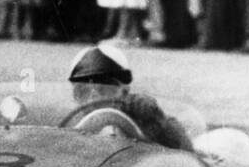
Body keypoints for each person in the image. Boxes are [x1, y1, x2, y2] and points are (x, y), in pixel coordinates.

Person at [66, 43, 194, 151]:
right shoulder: (67, 122)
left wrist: (158, 121)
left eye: (103, 89)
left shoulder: (144, 119)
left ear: (124, 92)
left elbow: (186, 153)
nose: (93, 97)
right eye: (82, 91)